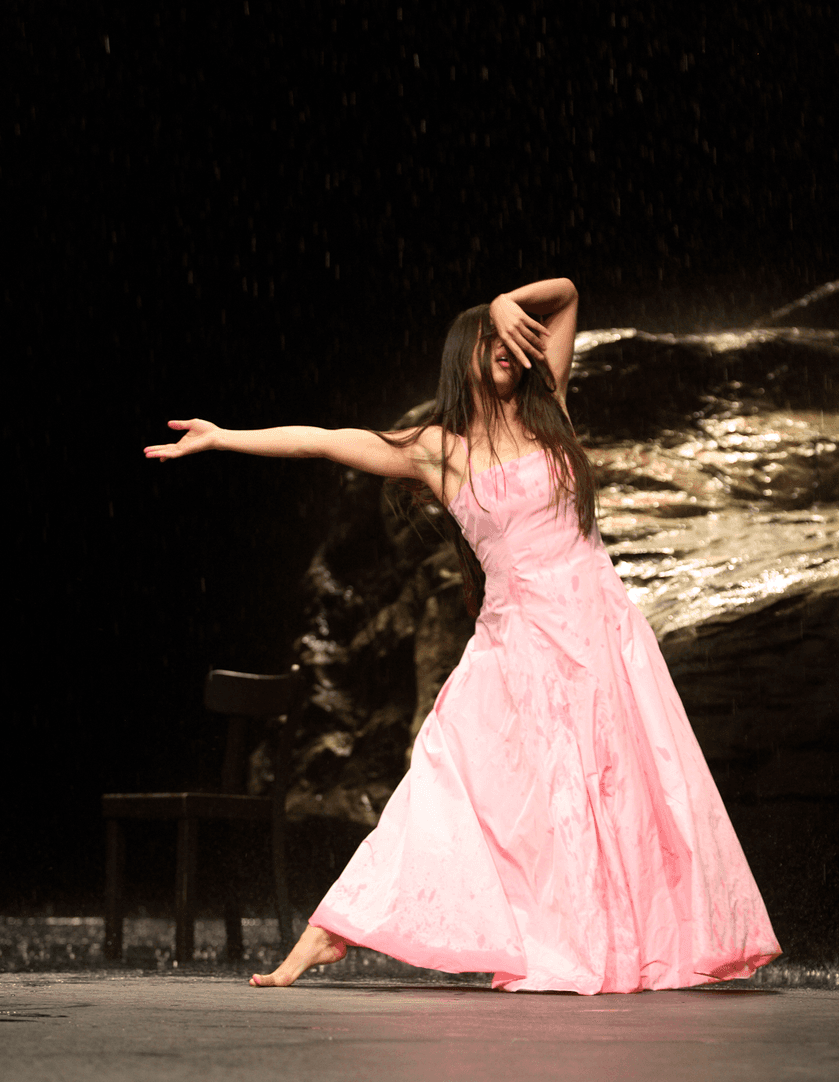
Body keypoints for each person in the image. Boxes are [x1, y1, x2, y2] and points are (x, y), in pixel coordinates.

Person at [144, 276, 782, 994]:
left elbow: (566, 295)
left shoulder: (551, 409)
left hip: (600, 633)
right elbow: (321, 443)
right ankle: (332, 929)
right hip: (516, 646)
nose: (505, 345)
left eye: (508, 335)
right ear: (462, 358)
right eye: (486, 339)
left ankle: (628, 941)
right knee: (449, 781)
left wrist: (509, 302)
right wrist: (222, 436)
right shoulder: (436, 450)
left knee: (619, 788)